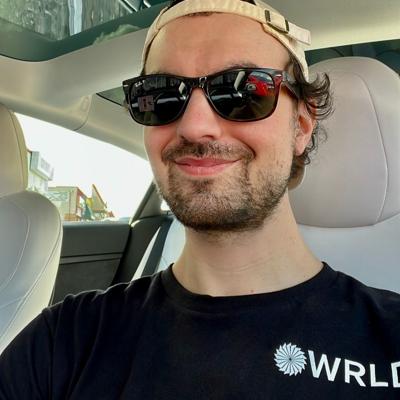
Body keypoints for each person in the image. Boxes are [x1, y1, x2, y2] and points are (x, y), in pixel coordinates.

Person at [1, 0, 400, 398]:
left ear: (301, 125)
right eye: (161, 94)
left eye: (242, 90)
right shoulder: (62, 342)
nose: (193, 126)